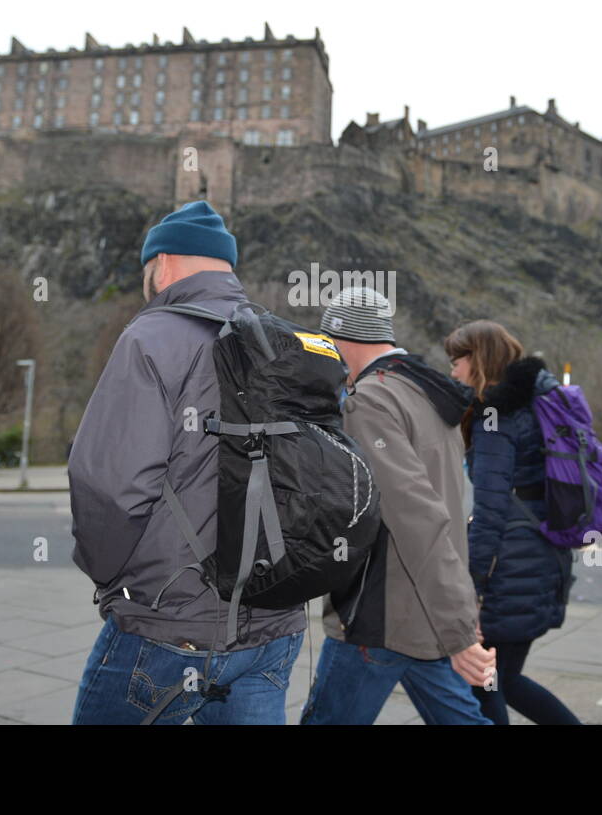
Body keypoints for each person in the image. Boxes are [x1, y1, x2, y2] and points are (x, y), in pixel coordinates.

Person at [69, 201, 304, 725]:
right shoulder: (289, 342)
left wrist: (107, 576)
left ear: (165, 262)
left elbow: (108, 485)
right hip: (275, 626)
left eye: (147, 269)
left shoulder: (150, 338)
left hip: (170, 626)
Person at [300, 287, 495, 725]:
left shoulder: (369, 401)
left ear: (342, 341)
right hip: (424, 608)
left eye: (328, 344)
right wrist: (459, 611)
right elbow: (444, 506)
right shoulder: (424, 392)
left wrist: (461, 629)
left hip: (380, 612)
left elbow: (416, 517)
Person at [445, 320, 581, 725]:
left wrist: (471, 587)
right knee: (503, 677)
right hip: (543, 553)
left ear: (479, 360)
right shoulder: (539, 404)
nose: (453, 370)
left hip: (510, 567)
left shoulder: (496, 417)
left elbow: (490, 511)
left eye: (458, 360)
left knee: (483, 680)